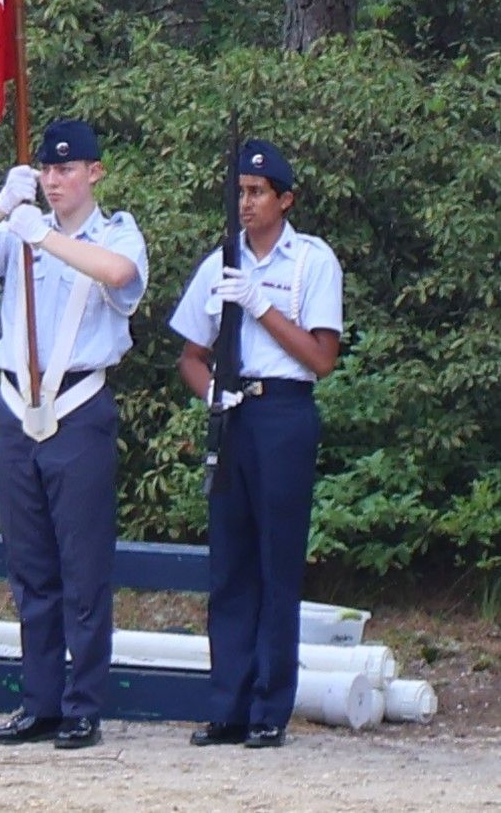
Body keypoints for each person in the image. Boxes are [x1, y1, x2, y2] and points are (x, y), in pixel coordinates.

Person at [0, 119, 147, 750]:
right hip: (18, 406)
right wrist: (0, 206)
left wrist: (43, 236)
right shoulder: (19, 226)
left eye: (68, 169)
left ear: (94, 173)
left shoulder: (114, 230)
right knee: (31, 569)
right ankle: (41, 701)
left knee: (83, 568)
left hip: (79, 405)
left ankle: (84, 705)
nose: (55, 180)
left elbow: (117, 274)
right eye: (48, 170)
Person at [171, 138, 343, 750]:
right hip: (236, 413)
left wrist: (261, 305)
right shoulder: (219, 260)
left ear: (284, 199)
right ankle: (229, 704)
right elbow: (190, 355)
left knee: (276, 562)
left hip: (285, 413)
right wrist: (215, 391)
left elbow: (322, 358)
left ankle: (271, 705)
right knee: (230, 565)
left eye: (256, 192)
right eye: (239, 192)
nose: (245, 203)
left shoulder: (310, 262)